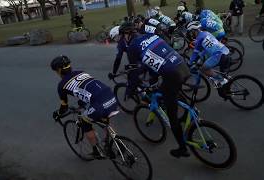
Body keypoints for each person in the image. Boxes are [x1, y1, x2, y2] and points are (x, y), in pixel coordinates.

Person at [121, 23, 191, 158]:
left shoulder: (131, 48)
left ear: (127, 35)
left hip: (172, 75)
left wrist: (130, 90)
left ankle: (182, 148)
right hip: (182, 66)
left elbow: (134, 74)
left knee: (172, 117)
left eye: (123, 36)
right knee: (168, 91)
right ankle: (184, 111)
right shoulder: (150, 35)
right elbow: (151, 60)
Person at [51, 55, 118, 158]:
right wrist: (83, 102)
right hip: (111, 96)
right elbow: (89, 89)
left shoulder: (62, 85)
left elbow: (64, 107)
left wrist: (58, 114)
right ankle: (118, 144)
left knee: (84, 122)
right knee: (104, 120)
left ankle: (97, 152)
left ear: (59, 70)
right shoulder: (82, 73)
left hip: (99, 105)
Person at [187, 21, 231, 86]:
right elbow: (207, 48)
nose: (191, 34)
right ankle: (225, 83)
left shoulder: (199, 38)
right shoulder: (206, 33)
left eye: (191, 32)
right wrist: (201, 55)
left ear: (194, 31)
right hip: (226, 52)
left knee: (203, 69)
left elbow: (195, 53)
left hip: (218, 55)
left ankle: (221, 80)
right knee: (224, 80)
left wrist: (189, 63)